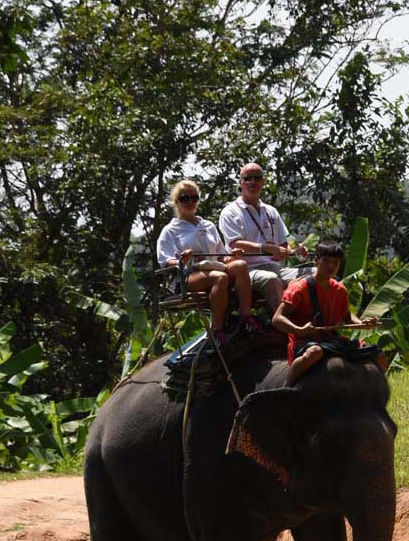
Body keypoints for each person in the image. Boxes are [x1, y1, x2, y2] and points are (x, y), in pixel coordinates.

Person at [156, 180, 262, 348]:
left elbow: (221, 256)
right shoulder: (170, 230)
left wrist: (232, 256)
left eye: (194, 198)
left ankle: (246, 317)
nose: (191, 202)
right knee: (219, 278)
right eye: (185, 198)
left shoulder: (208, 225)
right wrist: (181, 260)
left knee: (240, 265)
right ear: (176, 202)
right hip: (188, 276)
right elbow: (164, 260)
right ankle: (217, 330)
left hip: (214, 268)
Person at [272, 239, 385, 384]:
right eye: (326, 261)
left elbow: (347, 316)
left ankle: (377, 391)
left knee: (378, 355)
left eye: (335, 263)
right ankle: (286, 387)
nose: (331, 266)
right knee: (315, 352)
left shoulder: (340, 289)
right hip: (304, 342)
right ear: (316, 261)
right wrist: (299, 330)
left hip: (331, 341)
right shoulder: (299, 289)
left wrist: (362, 323)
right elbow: (277, 318)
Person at [218, 162, 309, 313]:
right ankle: (287, 327)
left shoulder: (271, 211)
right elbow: (235, 244)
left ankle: (322, 324)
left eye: (257, 178)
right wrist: (265, 248)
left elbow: (285, 243)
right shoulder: (230, 212)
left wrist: (297, 251)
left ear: (263, 182)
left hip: (275, 267)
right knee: (271, 279)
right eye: (248, 178)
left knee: (315, 274)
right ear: (240, 183)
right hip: (248, 270)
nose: (252, 182)